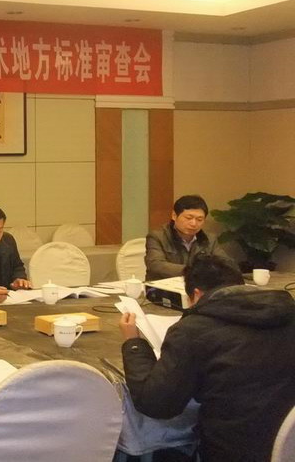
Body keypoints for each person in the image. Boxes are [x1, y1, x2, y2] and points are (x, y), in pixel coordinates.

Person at [119, 255, 295, 462]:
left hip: (231, 451)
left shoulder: (193, 330)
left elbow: (156, 404)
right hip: (288, 445)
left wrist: (134, 343)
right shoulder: (288, 314)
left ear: (196, 294)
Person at [145, 194, 237, 280]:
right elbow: (156, 265)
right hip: (162, 287)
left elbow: (227, 263)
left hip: (199, 286)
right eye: (188, 218)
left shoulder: (209, 239)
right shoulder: (158, 237)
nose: (193, 223)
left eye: (199, 219)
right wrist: (192, 271)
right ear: (174, 216)